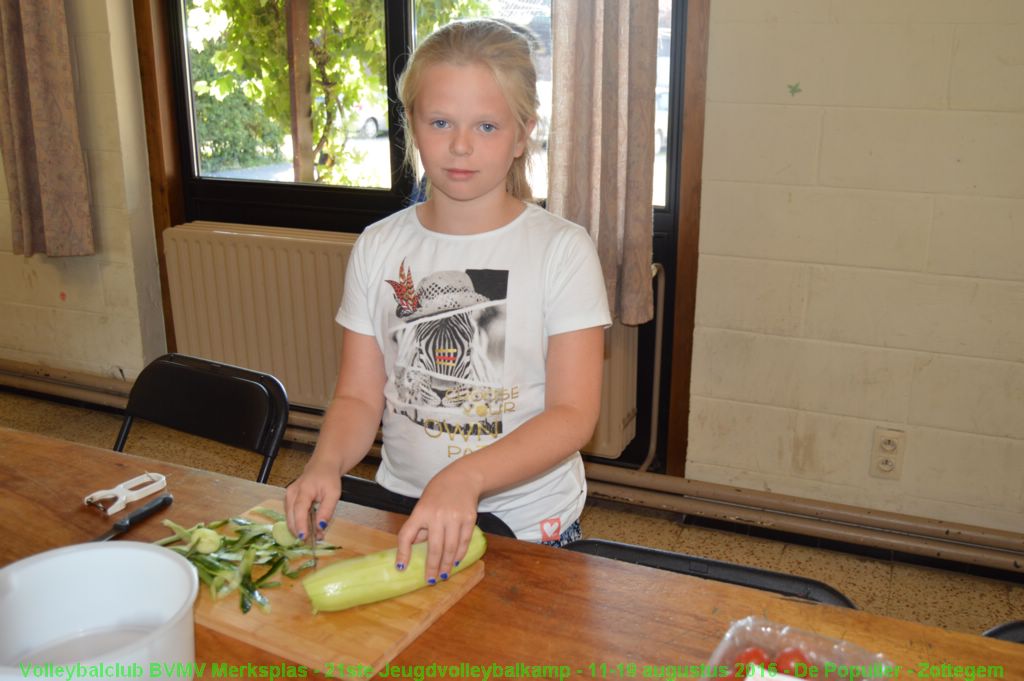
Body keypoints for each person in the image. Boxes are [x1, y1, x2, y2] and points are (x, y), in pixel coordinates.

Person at [284, 18, 611, 585]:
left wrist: (465, 476)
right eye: (441, 122)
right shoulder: (379, 244)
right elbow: (360, 397)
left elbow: (573, 416)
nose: (461, 145)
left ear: (522, 134)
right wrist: (325, 463)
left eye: (486, 125)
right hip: (403, 504)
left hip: (528, 522)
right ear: (412, 124)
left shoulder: (563, 250)